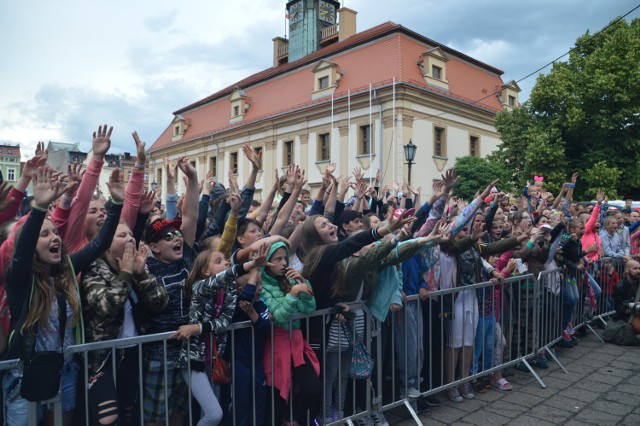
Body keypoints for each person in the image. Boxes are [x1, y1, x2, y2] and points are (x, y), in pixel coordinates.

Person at [3, 167, 123, 426]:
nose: (54, 237)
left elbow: (99, 244)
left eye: (54, 232)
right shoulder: (20, 281)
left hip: (65, 372)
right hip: (25, 376)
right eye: (43, 234)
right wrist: (39, 208)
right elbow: (22, 253)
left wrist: (116, 202)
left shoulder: (66, 270)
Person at [171, 245, 270, 426]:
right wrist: (250, 266)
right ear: (205, 271)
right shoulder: (199, 287)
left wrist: (198, 328)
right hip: (194, 360)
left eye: (225, 260)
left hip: (215, 360)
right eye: (219, 261)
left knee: (212, 415)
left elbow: (224, 322)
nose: (225, 262)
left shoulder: (229, 290)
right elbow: (225, 276)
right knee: (214, 414)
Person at [82, 221, 167, 426]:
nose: (130, 238)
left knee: (128, 412)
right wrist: (126, 273)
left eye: (131, 234)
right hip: (102, 358)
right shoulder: (94, 270)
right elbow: (106, 306)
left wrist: (141, 274)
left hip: (132, 354)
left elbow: (160, 302)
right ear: (105, 244)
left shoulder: (138, 266)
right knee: (108, 418)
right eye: (121, 236)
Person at [142, 157, 199, 426]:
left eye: (176, 235)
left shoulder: (186, 257)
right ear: (154, 247)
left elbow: (189, 216)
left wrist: (193, 179)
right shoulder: (147, 267)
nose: (177, 238)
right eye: (168, 237)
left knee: (181, 409)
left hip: (187, 349)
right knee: (155, 415)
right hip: (158, 353)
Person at [261, 241, 321, 426]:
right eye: (277, 259)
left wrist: (303, 284)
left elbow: (308, 309)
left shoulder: (290, 281)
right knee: (279, 392)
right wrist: (294, 293)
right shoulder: (262, 286)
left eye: (284, 259)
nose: (282, 263)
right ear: (266, 262)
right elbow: (278, 316)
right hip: (276, 343)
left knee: (312, 388)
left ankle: (293, 418)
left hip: (296, 341)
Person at [604, 260, 640, 345]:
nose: (638, 271)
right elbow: (620, 309)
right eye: (635, 268)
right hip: (629, 315)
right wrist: (633, 305)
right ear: (627, 270)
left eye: (639, 268)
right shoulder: (620, 286)